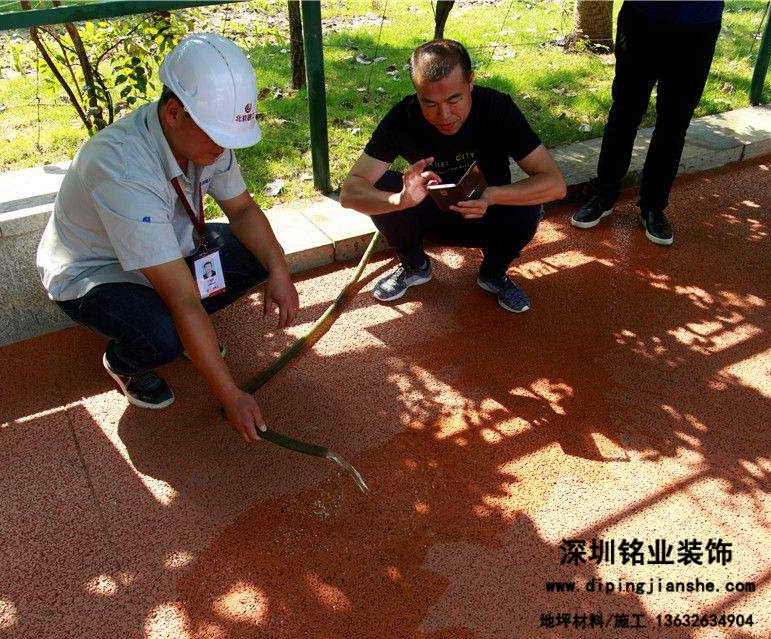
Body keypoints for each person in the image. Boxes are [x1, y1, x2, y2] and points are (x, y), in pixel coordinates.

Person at [36, 33, 299, 442]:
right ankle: (126, 361)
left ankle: (193, 341)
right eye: (217, 135)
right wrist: (230, 394)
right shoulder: (121, 167)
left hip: (168, 248)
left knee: (256, 255)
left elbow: (244, 210)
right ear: (174, 112)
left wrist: (279, 268)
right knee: (165, 336)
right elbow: (183, 299)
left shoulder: (205, 138)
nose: (225, 148)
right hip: (97, 274)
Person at [340, 39, 566, 313]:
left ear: (470, 82)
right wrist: (400, 200)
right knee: (381, 185)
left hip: (487, 214)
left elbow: (555, 184)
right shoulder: (404, 117)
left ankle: (493, 273)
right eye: (430, 103)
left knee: (529, 200)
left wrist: (492, 196)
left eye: (453, 99)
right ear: (417, 94)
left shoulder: (497, 108)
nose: (444, 115)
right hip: (431, 215)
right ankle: (414, 266)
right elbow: (350, 192)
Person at [571, 1, 724, 245]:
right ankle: (604, 195)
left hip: (699, 24)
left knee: (675, 122)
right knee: (624, 112)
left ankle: (653, 207)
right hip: (642, 17)